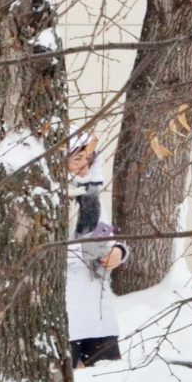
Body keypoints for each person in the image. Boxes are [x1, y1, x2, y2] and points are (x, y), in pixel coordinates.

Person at [65, 133, 125, 366]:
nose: (85, 166)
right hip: (63, 310)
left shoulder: (90, 198)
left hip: (96, 311)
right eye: (78, 159)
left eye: (89, 159)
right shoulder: (46, 199)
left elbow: (106, 236)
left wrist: (118, 252)